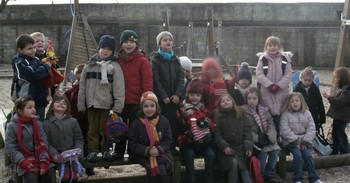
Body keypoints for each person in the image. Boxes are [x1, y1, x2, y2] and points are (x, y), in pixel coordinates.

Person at [77, 35, 125, 163]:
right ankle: (93, 151)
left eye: (109, 49)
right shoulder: (89, 65)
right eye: (103, 48)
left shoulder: (114, 66)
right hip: (91, 104)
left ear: (112, 52)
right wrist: (81, 104)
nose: (105, 51)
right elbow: (82, 86)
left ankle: (105, 150)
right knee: (92, 129)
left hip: (106, 104)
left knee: (105, 130)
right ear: (99, 48)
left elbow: (119, 87)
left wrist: (118, 106)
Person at [116, 30, 153, 159]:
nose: (129, 45)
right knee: (119, 128)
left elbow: (147, 81)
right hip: (120, 101)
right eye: (126, 42)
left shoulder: (142, 61)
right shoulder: (117, 60)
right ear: (122, 44)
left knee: (134, 128)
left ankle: (132, 151)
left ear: (136, 43)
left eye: (131, 42)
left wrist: (146, 100)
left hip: (136, 101)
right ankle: (118, 151)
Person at [5, 96, 56, 183]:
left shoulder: (38, 124)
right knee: (30, 176)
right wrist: (22, 161)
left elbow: (43, 142)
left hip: (40, 156)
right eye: (29, 107)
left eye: (34, 107)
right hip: (23, 159)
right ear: (20, 111)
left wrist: (44, 160)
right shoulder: (12, 127)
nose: (33, 109)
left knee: (50, 171)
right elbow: (10, 147)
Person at [128, 91, 173, 183]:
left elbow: (168, 139)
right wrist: (148, 150)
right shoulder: (136, 124)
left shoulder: (163, 121)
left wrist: (159, 149)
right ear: (142, 108)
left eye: (152, 106)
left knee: (161, 170)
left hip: (160, 152)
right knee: (151, 170)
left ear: (156, 107)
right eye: (146, 106)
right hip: (143, 154)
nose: (149, 109)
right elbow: (133, 143)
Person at [151, 31, 184, 152]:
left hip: (174, 98)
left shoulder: (176, 59)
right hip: (162, 99)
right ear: (159, 44)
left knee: (175, 122)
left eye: (170, 40)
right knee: (163, 123)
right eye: (165, 40)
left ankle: (174, 143)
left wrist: (177, 94)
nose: (168, 42)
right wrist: (163, 95)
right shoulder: (155, 59)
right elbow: (156, 80)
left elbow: (181, 78)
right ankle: (165, 145)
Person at [280, 92, 323, 183]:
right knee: (298, 155)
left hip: (305, 140)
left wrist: (304, 142)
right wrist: (296, 142)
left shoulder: (307, 113)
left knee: (307, 155)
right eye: (292, 101)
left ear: (301, 102)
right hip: (291, 141)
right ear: (289, 103)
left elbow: (312, 129)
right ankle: (298, 179)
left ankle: (314, 177)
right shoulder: (285, 114)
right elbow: (285, 131)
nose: (295, 103)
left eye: (297, 101)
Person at [179, 79, 215, 183]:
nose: (195, 97)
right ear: (188, 95)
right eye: (192, 94)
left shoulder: (204, 110)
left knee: (210, 154)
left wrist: (209, 123)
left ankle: (209, 179)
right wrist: (185, 116)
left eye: (197, 95)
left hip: (203, 142)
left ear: (201, 97)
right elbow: (179, 126)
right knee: (189, 154)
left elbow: (211, 125)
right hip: (188, 142)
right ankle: (191, 179)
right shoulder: (183, 108)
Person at [256, 36, 292, 136]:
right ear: (266, 47)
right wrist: (270, 85)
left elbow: (288, 74)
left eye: (275, 45)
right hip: (266, 92)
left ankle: (281, 140)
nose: (272, 47)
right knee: (267, 116)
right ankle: (270, 138)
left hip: (281, 92)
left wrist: (279, 86)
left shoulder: (285, 59)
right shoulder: (263, 59)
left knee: (281, 118)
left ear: (279, 46)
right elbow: (259, 74)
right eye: (270, 45)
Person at [213, 94, 254, 183]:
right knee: (233, 163)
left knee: (244, 168)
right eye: (223, 101)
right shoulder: (218, 117)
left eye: (228, 100)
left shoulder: (241, 114)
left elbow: (247, 132)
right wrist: (224, 146)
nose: (225, 102)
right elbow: (217, 135)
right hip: (227, 150)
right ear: (220, 105)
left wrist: (248, 147)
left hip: (241, 148)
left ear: (233, 102)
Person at [243, 87, 280, 183]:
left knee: (274, 152)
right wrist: (255, 138)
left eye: (254, 98)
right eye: (249, 98)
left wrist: (271, 135)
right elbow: (245, 129)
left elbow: (270, 123)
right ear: (246, 99)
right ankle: (261, 175)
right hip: (256, 142)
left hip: (267, 138)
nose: (252, 101)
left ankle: (270, 174)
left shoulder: (264, 110)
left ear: (258, 99)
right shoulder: (244, 112)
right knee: (263, 156)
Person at [10, 34, 51, 121]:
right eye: (29, 48)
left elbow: (44, 75)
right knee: (26, 125)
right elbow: (33, 75)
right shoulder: (19, 62)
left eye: (34, 47)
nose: (33, 51)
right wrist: (46, 67)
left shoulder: (35, 58)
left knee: (39, 126)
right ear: (20, 50)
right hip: (27, 102)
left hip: (40, 101)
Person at [43, 96, 84, 183]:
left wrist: (79, 150)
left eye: (64, 103)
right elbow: (46, 142)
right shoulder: (46, 124)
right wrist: (54, 155)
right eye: (58, 102)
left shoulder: (73, 122)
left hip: (73, 156)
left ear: (67, 109)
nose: (61, 103)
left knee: (73, 176)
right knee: (64, 177)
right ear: (52, 107)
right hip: (56, 157)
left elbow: (78, 138)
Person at [64, 64, 95, 176]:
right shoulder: (71, 91)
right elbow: (64, 101)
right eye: (79, 73)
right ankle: (79, 167)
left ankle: (89, 168)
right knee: (77, 144)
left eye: (83, 73)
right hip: (75, 121)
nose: (81, 75)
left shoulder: (91, 88)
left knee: (87, 144)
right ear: (76, 75)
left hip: (87, 121)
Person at [322, 67, 350, 155]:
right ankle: (335, 150)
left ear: (342, 78)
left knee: (340, 134)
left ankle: (344, 151)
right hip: (339, 115)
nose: (334, 79)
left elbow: (340, 102)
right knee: (335, 134)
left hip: (343, 116)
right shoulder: (342, 88)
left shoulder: (347, 90)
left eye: (336, 77)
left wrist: (329, 97)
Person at [293, 67, 325, 133]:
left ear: (313, 79)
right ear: (301, 79)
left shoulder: (315, 88)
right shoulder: (297, 89)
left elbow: (319, 102)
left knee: (313, 130)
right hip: (301, 113)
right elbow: (293, 101)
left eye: (310, 80)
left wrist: (322, 118)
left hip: (313, 113)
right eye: (305, 80)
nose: (307, 82)